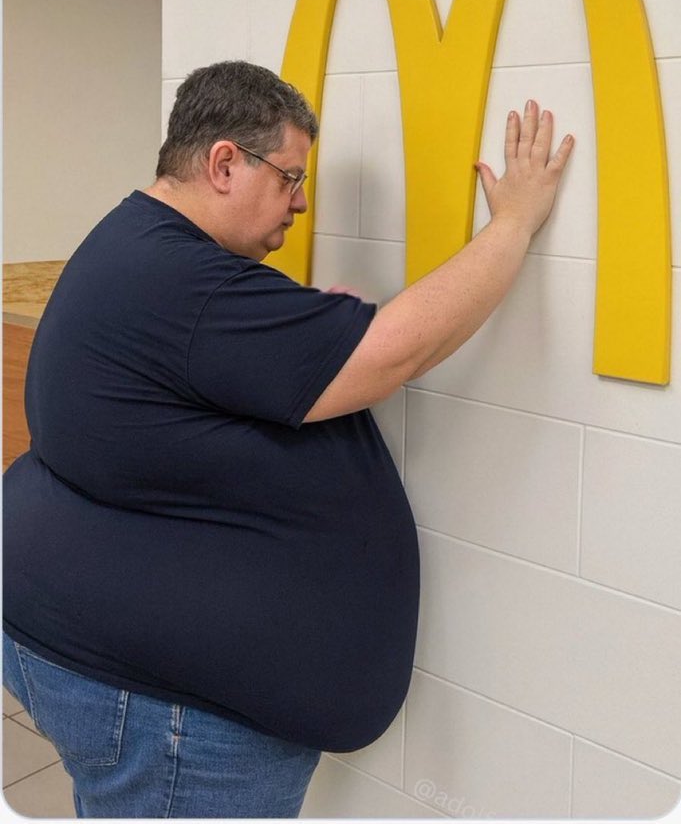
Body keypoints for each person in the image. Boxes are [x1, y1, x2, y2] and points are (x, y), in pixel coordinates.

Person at [3, 60, 574, 818]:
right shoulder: (186, 282)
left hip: (100, 659)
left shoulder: (138, 242)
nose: (301, 201)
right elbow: (396, 351)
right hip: (167, 719)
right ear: (224, 164)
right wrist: (513, 224)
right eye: (290, 177)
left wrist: (302, 338)